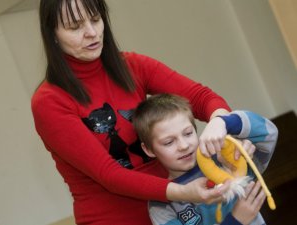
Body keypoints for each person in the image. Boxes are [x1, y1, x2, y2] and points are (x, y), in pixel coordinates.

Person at [31, 0, 235, 224]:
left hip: (175, 211)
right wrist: (182, 191)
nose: (91, 32)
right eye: (75, 26)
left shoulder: (132, 65)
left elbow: (202, 98)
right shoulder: (49, 102)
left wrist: (220, 122)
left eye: (96, 19)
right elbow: (109, 175)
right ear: (53, 34)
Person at [132, 93, 278, 225]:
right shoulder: (161, 205)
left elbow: (269, 133)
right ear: (149, 150)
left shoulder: (225, 160)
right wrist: (235, 221)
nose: (183, 146)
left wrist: (223, 122)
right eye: (169, 142)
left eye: (188, 133)